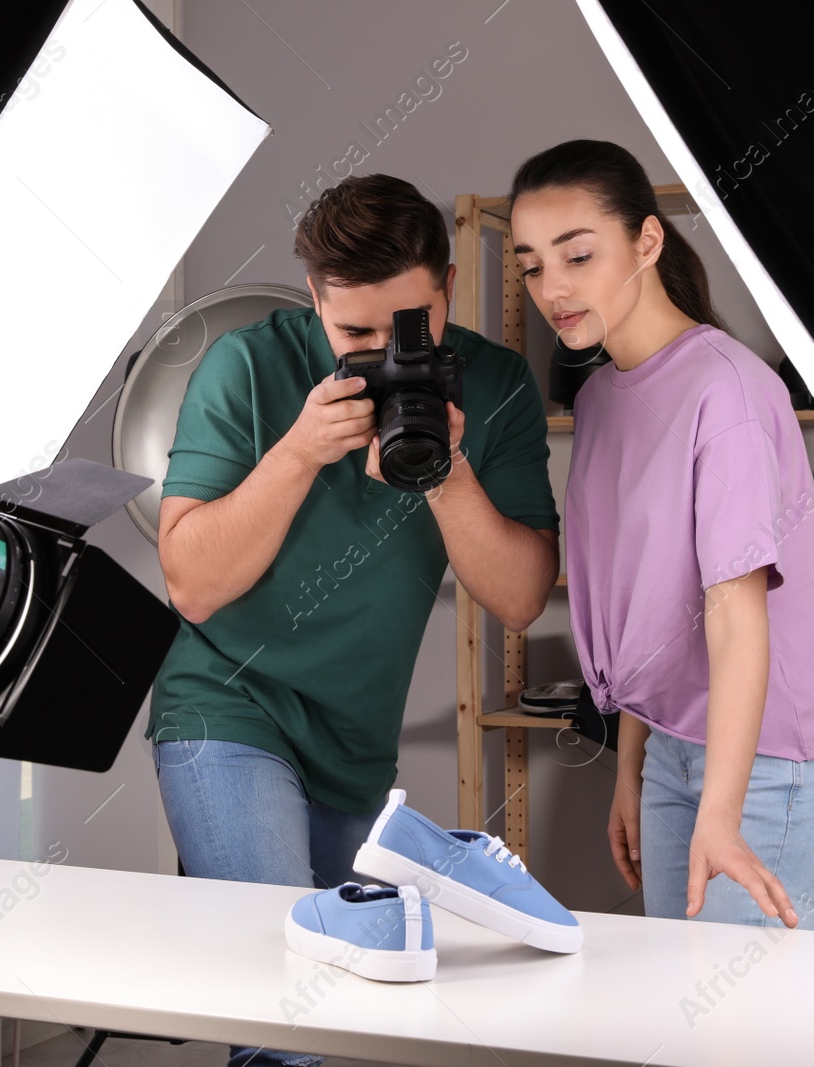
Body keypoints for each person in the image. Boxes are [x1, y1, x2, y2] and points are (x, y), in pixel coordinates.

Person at [149, 174, 560, 1067]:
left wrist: (447, 471)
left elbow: (523, 595)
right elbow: (192, 584)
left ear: (448, 285)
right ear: (313, 299)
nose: (382, 357)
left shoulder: (493, 387)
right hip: (228, 706)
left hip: (356, 741)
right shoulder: (249, 367)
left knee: (364, 1012)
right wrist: (298, 452)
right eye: (355, 335)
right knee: (285, 1017)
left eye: (409, 328)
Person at [507, 140, 814, 930]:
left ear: (647, 240)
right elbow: (656, 608)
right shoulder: (601, 399)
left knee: (730, 1031)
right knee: (687, 1017)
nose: (553, 288)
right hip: (676, 739)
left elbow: (737, 617)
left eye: (577, 255)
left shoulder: (728, 390)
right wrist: (633, 766)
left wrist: (721, 810)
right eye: (532, 265)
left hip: (776, 760)